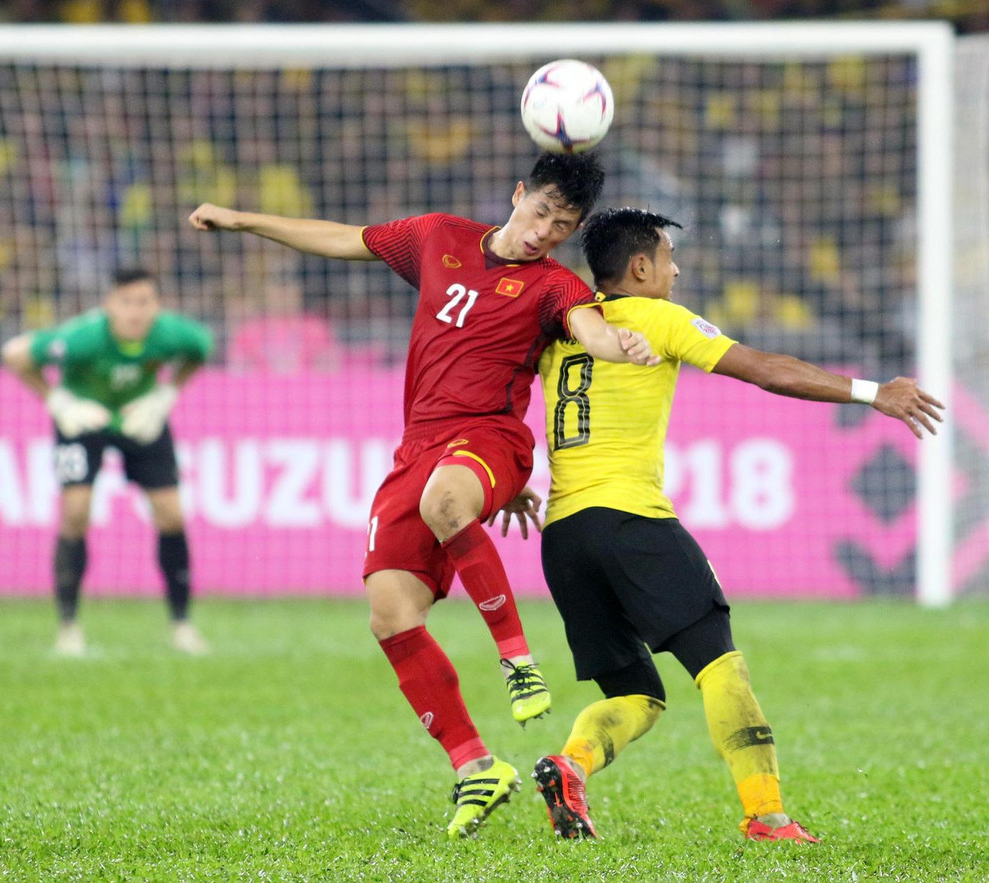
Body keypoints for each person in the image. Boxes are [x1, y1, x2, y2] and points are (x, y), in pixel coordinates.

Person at [189, 153, 658, 839]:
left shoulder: (557, 287)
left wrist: (619, 342)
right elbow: (342, 238)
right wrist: (240, 220)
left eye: (562, 226)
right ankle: (474, 765)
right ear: (517, 192)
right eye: (540, 214)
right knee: (390, 612)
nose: (543, 233)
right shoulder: (438, 237)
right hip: (418, 446)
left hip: (492, 438)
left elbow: (588, 328)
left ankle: (517, 661)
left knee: (446, 503)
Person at [491, 207, 943, 842]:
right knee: (719, 665)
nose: (677, 270)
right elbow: (763, 368)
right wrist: (873, 394)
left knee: (637, 694)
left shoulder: (560, 331)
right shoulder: (660, 318)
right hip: (632, 520)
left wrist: (507, 481)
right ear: (641, 267)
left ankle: (571, 765)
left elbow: (496, 396)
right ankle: (768, 815)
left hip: (564, 537)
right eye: (669, 258)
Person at [1, 268, 215, 657]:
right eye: (127, 302)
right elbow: (15, 354)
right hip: (85, 420)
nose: (135, 312)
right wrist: (58, 401)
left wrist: (166, 395)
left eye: (144, 302)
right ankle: (68, 628)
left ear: (157, 305)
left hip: (141, 419)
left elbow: (203, 350)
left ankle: (182, 626)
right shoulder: (82, 338)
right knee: (76, 513)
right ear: (109, 305)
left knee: (171, 514)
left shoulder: (171, 334)